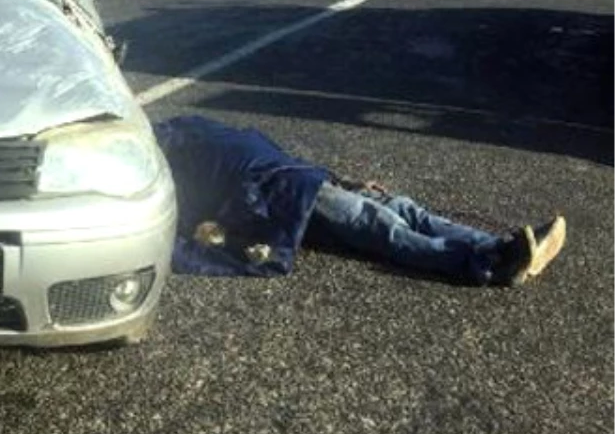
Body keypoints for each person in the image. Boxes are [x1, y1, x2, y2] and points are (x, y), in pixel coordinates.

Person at [156, 116, 567, 285]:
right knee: (379, 224)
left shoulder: (180, 127)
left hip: (300, 178)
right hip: (275, 197)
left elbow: (272, 154)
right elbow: (169, 227)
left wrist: (341, 177)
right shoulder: (153, 157)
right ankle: (490, 265)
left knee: (403, 208)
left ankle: (501, 247)